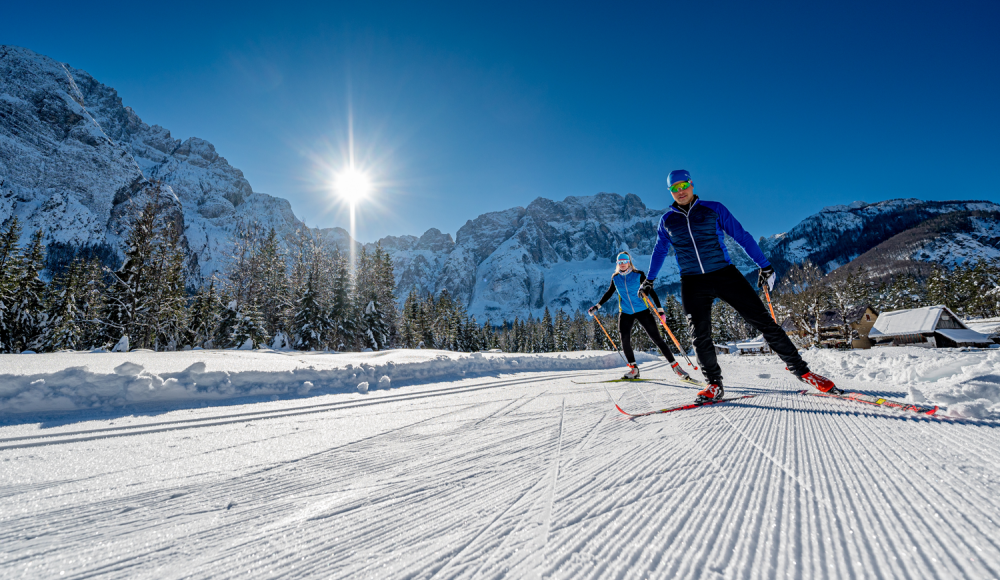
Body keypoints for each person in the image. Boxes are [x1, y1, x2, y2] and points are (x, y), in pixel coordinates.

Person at [642, 169, 839, 402]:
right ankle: (714, 385)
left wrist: (764, 266)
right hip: (692, 281)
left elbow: (742, 236)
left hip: (725, 275)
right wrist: (649, 280)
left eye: (683, 185)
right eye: (674, 188)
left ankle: (803, 372)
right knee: (700, 336)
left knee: (765, 323)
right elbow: (660, 251)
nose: (680, 191)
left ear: (692, 184)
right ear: (670, 192)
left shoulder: (714, 208)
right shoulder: (667, 220)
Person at [588, 251, 692, 381]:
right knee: (624, 339)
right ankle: (634, 369)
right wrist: (597, 306)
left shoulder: (638, 275)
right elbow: (609, 293)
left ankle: (676, 367)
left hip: (642, 310)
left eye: (624, 262)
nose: (622, 264)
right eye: (619, 262)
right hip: (625, 312)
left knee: (656, 338)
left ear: (629, 262)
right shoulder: (615, 278)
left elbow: (651, 292)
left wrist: (660, 310)